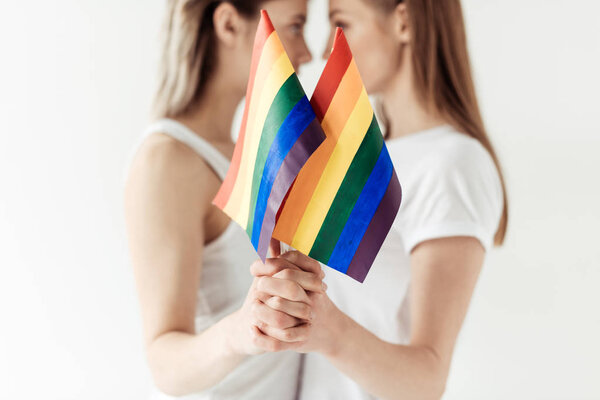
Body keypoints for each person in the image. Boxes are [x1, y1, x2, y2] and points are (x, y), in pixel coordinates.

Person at [249, 0, 509, 399]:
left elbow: (427, 380)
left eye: (342, 24)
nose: (323, 52)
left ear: (404, 22)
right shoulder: (369, 156)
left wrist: (324, 326)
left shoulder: (453, 164)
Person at [122, 1, 324, 399]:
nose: (307, 53)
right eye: (296, 26)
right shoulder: (167, 160)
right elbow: (164, 363)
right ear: (229, 24)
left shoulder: (246, 154)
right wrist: (243, 328)